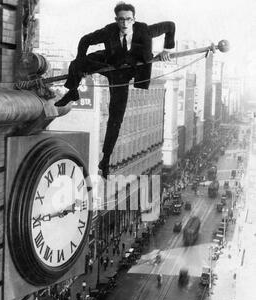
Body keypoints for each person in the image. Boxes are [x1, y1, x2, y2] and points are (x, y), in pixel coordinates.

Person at [55, 2, 175, 178]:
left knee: (115, 116)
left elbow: (170, 26)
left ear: (133, 19)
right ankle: (72, 91)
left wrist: (166, 49)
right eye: (121, 20)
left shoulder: (144, 30)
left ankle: (106, 160)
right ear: (116, 20)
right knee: (76, 63)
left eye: (128, 19)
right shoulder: (109, 30)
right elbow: (85, 40)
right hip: (110, 63)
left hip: (126, 72)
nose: (124, 24)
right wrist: (82, 66)